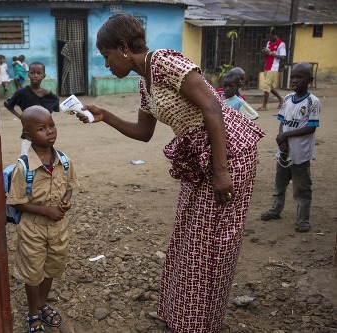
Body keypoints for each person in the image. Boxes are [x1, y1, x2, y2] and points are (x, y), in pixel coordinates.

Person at [75, 13, 265, 333]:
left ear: (123, 48)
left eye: (106, 56)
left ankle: (201, 324)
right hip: (198, 158)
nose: (106, 64)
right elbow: (143, 132)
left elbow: (212, 107)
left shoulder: (164, 61)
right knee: (187, 238)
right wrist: (104, 115)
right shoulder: (144, 82)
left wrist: (221, 171)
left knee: (209, 244)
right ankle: (183, 318)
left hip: (228, 153)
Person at [6, 105, 80, 333]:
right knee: (32, 272)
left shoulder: (64, 161)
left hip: (58, 229)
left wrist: (66, 200)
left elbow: (69, 187)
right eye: (41, 128)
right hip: (33, 230)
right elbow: (16, 201)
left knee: (51, 267)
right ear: (28, 136)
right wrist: (46, 211)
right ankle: (33, 312)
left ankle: (42, 303)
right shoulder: (24, 166)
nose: (49, 131)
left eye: (51, 125)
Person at [260, 62, 320, 232]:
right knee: (280, 182)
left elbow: (311, 127)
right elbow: (282, 122)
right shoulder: (287, 99)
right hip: (284, 150)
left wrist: (286, 135)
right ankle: (276, 209)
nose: (294, 80)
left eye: (299, 77)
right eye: (293, 77)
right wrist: (282, 140)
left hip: (300, 152)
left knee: (302, 187)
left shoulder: (312, 101)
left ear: (310, 80)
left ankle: (303, 219)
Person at [4, 62, 59, 155]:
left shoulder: (47, 94)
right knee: (25, 157)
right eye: (32, 73)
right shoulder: (22, 92)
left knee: (48, 157)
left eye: (39, 73)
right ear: (28, 75)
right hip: (28, 134)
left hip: (45, 135)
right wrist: (20, 116)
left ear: (44, 76)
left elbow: (56, 103)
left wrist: (47, 117)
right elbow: (8, 104)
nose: (35, 76)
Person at [258, 27, 286, 111]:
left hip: (274, 67)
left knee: (266, 86)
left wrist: (270, 53)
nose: (269, 38)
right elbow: (267, 54)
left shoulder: (281, 44)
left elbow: (283, 56)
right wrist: (265, 52)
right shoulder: (269, 43)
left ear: (275, 35)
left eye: (270, 37)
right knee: (269, 86)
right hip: (267, 66)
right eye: (268, 37)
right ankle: (281, 99)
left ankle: (264, 106)